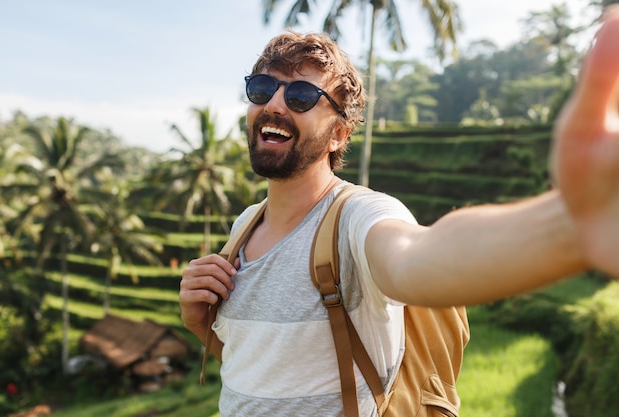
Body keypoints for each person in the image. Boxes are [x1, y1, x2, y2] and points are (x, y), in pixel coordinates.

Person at [180, 6, 619, 416]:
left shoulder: (357, 219)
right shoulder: (244, 226)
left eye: (300, 96)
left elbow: (419, 258)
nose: (274, 104)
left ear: (338, 134)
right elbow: (261, 368)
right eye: (262, 89)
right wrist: (199, 323)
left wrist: (568, 226)